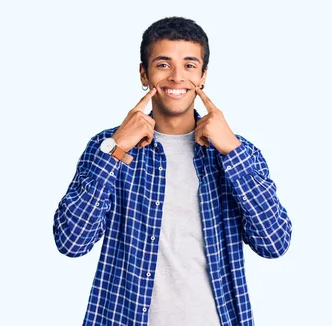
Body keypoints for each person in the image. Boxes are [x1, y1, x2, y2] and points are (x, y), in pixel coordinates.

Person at [52, 16, 292, 326]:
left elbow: (274, 243)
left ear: (203, 76)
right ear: (144, 73)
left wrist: (232, 151)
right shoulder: (108, 145)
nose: (177, 77)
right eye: (163, 65)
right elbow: (72, 241)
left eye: (190, 66)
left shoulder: (236, 151)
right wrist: (116, 148)